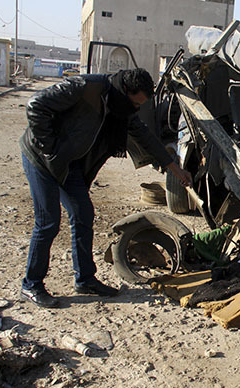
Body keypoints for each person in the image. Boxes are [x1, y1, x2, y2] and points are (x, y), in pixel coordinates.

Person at [19, 68, 192, 308]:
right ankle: (31, 284)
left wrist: (175, 169)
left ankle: (85, 279)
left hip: (70, 164)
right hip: (41, 158)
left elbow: (145, 137)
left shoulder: (121, 107)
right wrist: (50, 149)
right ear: (125, 91)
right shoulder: (85, 87)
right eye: (134, 103)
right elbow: (36, 105)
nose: (135, 109)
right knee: (48, 221)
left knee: (83, 215)